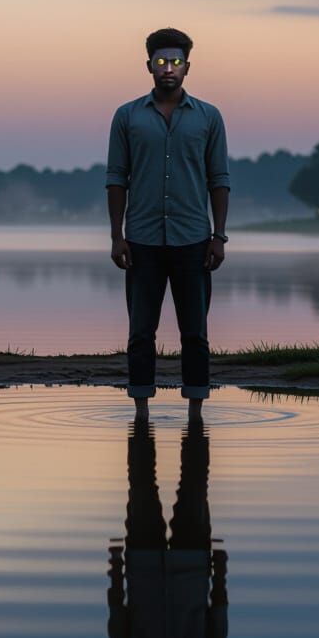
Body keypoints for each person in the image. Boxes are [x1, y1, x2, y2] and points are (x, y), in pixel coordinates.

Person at [105, 28, 230, 418]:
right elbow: (116, 178)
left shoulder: (209, 117)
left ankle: (196, 411)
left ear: (188, 66)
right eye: (161, 62)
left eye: (176, 62)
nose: (169, 69)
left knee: (195, 332)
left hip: (193, 239)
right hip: (141, 240)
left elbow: (219, 180)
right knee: (141, 331)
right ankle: (141, 411)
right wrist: (116, 236)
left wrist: (219, 236)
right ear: (149, 66)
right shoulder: (127, 116)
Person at [106, 413, 228, 638]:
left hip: (142, 562)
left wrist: (116, 567)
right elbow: (218, 613)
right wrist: (220, 571)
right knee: (195, 483)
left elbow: (118, 614)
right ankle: (193, 414)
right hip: (193, 563)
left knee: (141, 483)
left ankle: (144, 414)